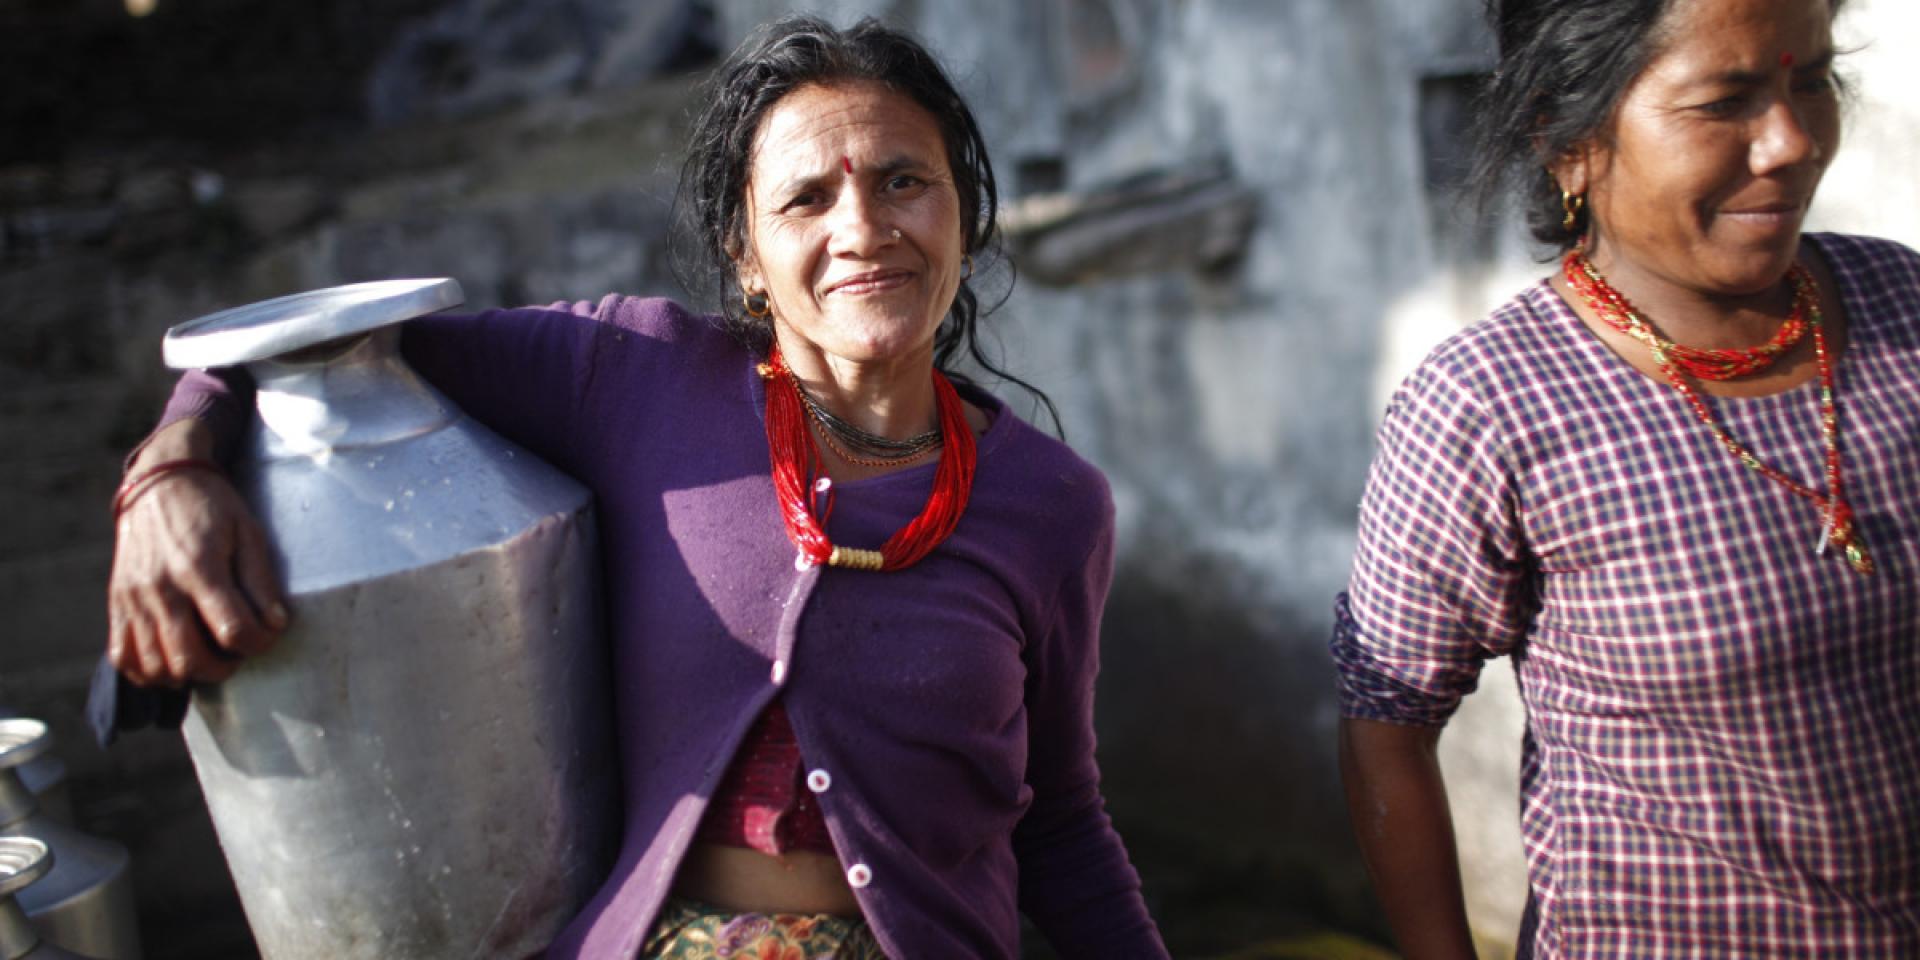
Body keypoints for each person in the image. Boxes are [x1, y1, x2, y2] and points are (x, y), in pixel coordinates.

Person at [100, 16, 1169, 959]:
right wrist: (171, 471)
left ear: (963, 215)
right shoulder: (636, 376)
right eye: (806, 198)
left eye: (903, 181)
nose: (862, 229)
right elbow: (305, 353)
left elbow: (1062, 821)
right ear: (746, 257)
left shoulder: (1052, 506)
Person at [1331, 0, 1919, 955]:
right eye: (1724, 101)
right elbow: (1388, 725)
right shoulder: (1492, 402)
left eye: (1811, 81)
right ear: (1568, 139)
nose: (1792, 141)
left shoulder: (1902, 307)